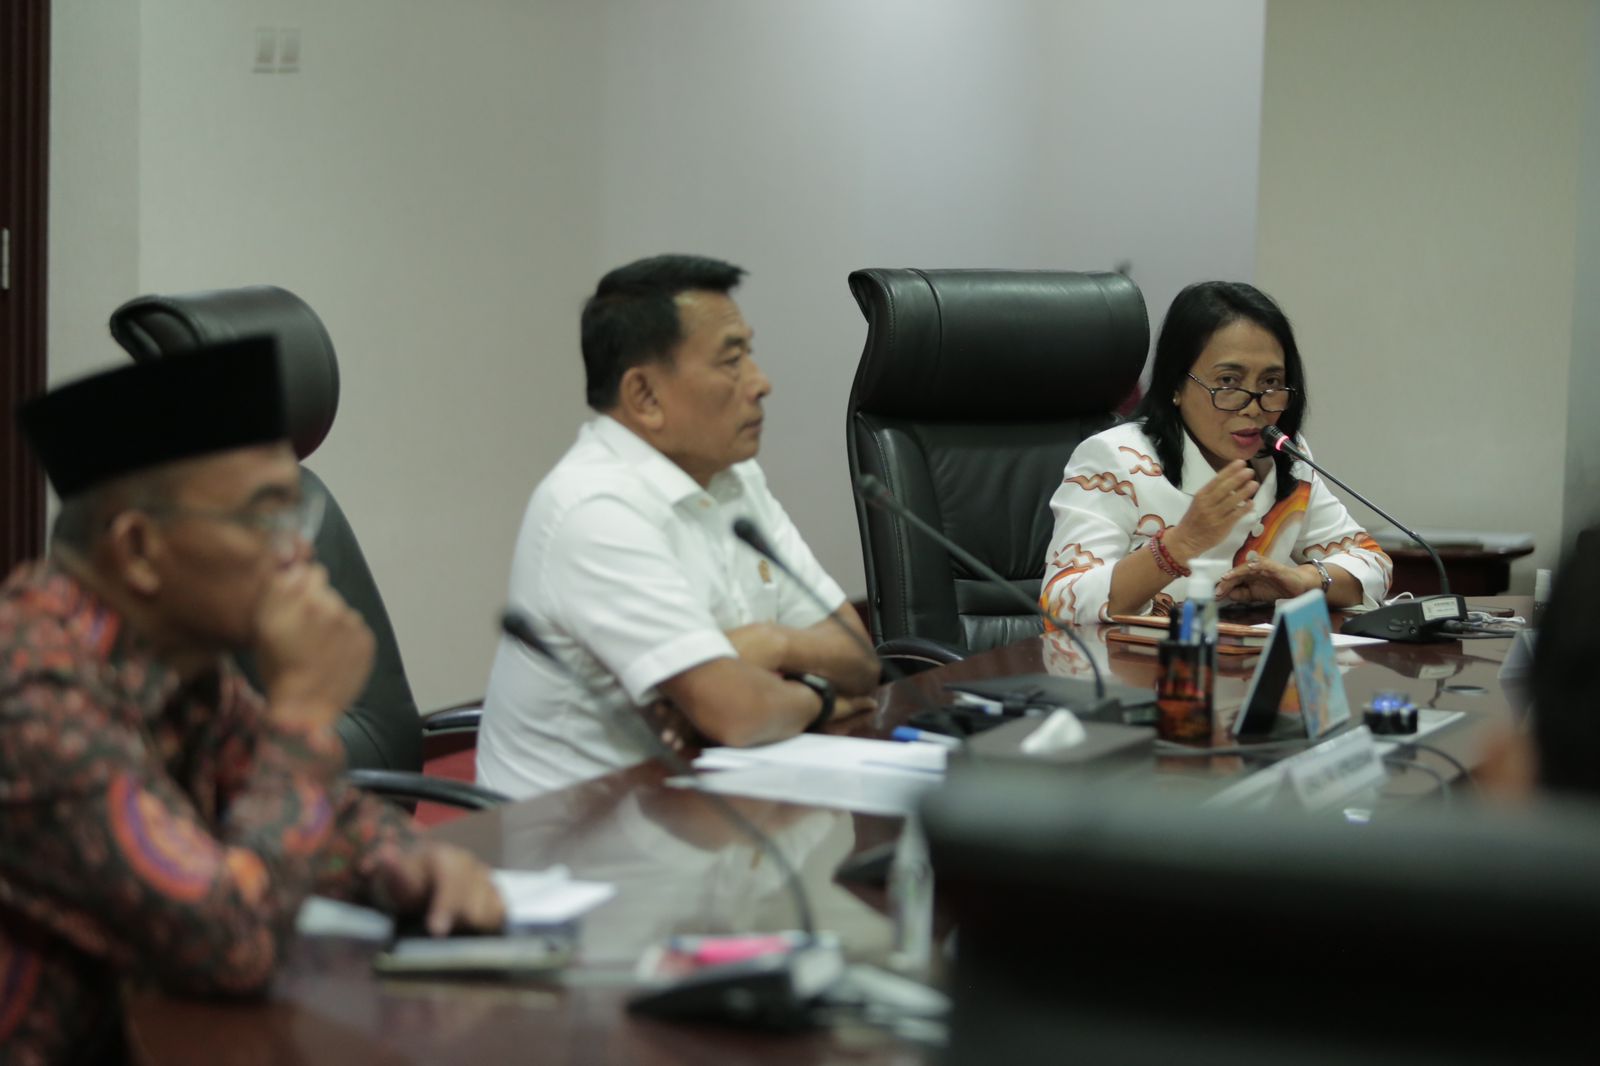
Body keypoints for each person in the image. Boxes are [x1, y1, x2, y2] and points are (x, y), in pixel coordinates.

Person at [0, 340, 504, 1065]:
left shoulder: (179, 662)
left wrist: (411, 862)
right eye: (266, 519)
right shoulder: (31, 691)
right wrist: (303, 713)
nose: (299, 552)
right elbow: (232, 942)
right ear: (138, 550)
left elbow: (317, 822)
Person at [477, 254, 880, 798]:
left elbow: (859, 657)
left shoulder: (734, 478)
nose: (761, 383)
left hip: (702, 802)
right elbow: (740, 715)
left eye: (750, 354)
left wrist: (772, 644)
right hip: (577, 827)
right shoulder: (595, 508)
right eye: (731, 361)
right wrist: (823, 698)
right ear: (645, 397)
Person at [1041, 281, 1391, 624]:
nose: (1253, 407)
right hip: (1140, 661)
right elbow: (1061, 601)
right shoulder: (1116, 460)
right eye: (1228, 382)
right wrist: (1178, 545)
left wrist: (1303, 580)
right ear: (1176, 385)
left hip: (1246, 658)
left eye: (1270, 382)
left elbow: (1372, 563)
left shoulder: (1285, 455)